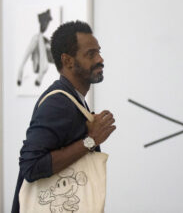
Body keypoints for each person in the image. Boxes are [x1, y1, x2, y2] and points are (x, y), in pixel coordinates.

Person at [11, 21, 116, 213]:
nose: (100, 59)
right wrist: (90, 140)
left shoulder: (73, 99)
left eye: (98, 51)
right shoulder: (58, 103)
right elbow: (31, 165)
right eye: (91, 54)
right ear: (68, 60)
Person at [17, 9, 55, 87]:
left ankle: (21, 68)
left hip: (41, 64)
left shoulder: (50, 41)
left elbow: (54, 56)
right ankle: (38, 73)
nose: (47, 25)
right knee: (37, 37)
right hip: (38, 63)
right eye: (46, 23)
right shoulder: (44, 39)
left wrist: (49, 47)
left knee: (37, 37)